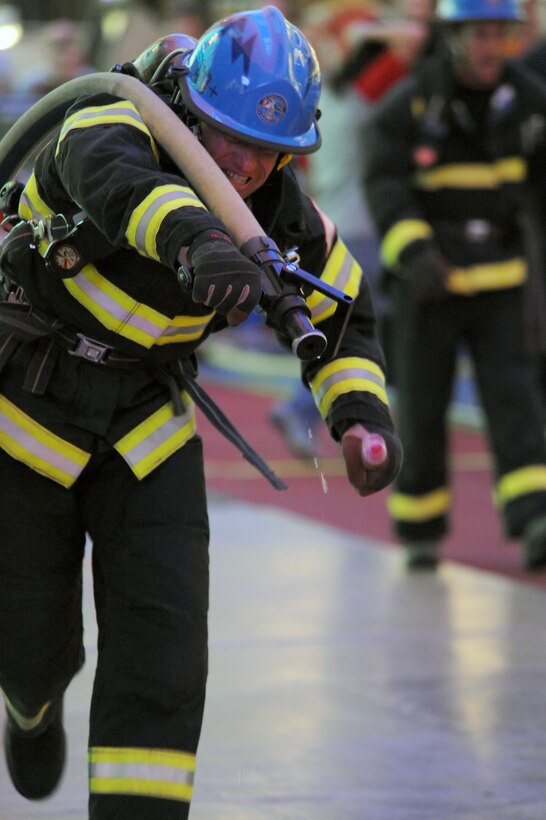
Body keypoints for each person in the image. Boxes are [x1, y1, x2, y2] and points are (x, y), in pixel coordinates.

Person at [0, 6, 401, 817]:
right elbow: (116, 183)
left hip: (147, 432)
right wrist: (197, 241)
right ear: (192, 111)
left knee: (166, 660)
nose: (249, 170)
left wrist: (359, 417)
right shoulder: (108, 125)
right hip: (28, 419)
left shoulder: (278, 212)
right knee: (30, 646)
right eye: (233, 142)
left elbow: (344, 317)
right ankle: (29, 705)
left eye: (271, 153)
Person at [363, 0, 546, 572]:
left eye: (502, 35)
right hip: (428, 287)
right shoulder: (411, 104)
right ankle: (420, 526)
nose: (493, 47)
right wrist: (415, 252)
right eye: (481, 34)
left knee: (516, 404)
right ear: (453, 37)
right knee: (421, 408)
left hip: (501, 283)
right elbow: (386, 184)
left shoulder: (530, 103)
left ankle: (535, 516)